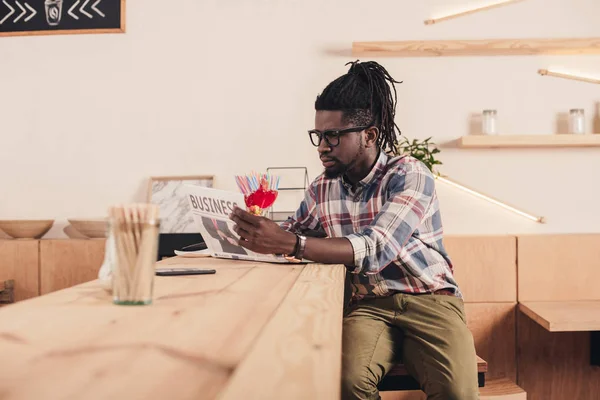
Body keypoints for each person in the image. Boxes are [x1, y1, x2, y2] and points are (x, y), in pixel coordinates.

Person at [229, 60, 479, 400]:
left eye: (333, 136)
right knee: (346, 385)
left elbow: (376, 248)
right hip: (368, 306)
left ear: (369, 135)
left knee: (456, 393)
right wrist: (247, 231)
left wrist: (292, 243)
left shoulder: (409, 174)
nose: (321, 146)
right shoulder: (322, 188)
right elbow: (291, 232)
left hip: (430, 300)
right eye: (318, 135)